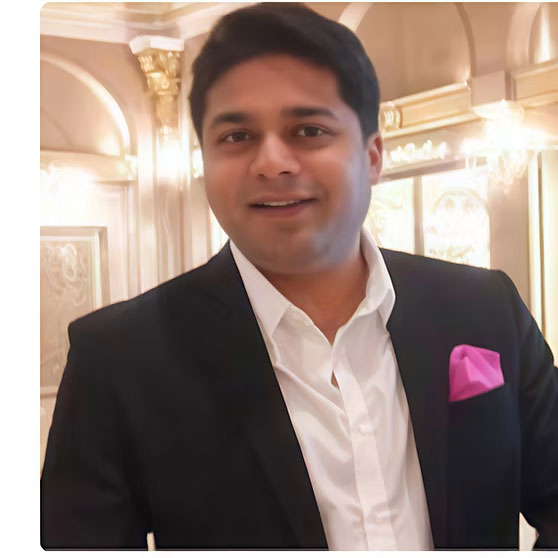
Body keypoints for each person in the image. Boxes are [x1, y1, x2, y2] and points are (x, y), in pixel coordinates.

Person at [41, 3, 558, 550]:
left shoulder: (483, 307)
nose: (272, 162)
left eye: (309, 130)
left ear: (373, 157)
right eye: (237, 136)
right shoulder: (121, 359)